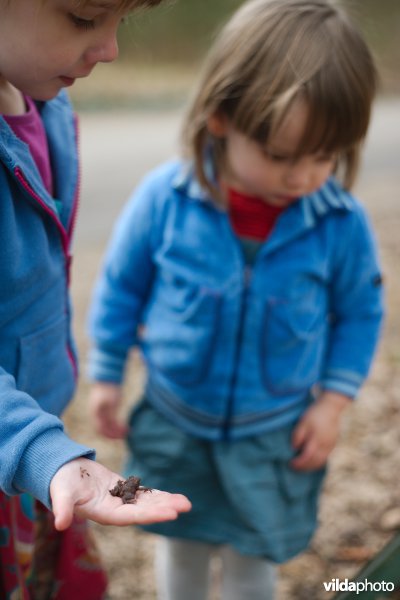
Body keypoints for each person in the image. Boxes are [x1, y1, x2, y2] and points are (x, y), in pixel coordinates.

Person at [87, 0, 385, 598]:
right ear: (222, 118)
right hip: (177, 421)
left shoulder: (339, 225)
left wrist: (331, 405)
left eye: (324, 157)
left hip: (272, 431)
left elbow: (360, 312)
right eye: (280, 155)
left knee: (253, 555)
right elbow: (122, 286)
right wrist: (107, 375)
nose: (302, 177)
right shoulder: (163, 202)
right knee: (183, 540)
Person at [0, 0, 191, 597]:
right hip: (30, 448)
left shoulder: (51, 107)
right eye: (84, 19)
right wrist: (41, 450)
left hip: (38, 452)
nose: (109, 49)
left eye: (121, 21)